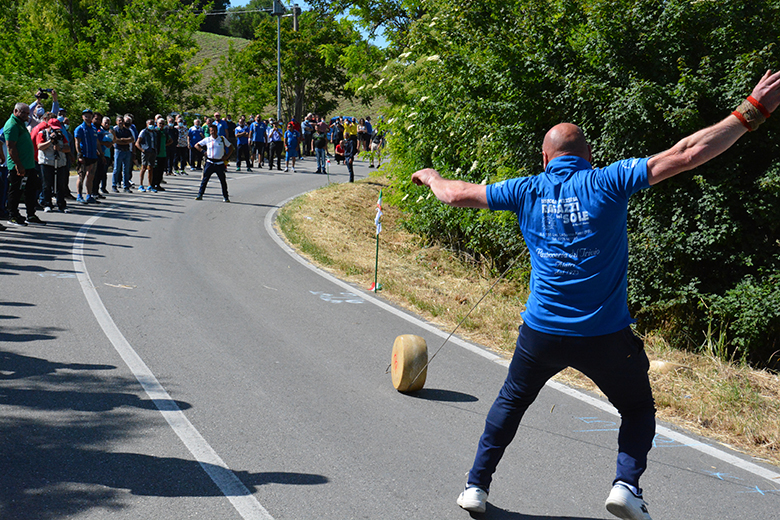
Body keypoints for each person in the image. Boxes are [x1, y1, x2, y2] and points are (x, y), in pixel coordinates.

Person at [411, 69, 780, 520]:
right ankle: (626, 486)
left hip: (541, 332)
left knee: (510, 403)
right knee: (638, 411)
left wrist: (430, 176)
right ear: (589, 155)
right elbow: (687, 153)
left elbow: (455, 194)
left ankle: (475, 487)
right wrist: (753, 110)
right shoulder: (607, 181)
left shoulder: (525, 189)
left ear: (545, 159)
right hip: (606, 336)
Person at [4, 103, 44, 226]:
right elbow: (11, 147)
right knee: (15, 191)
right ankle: (13, 216)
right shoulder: (12, 125)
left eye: (28, 113)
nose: (27, 115)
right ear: (16, 111)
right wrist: (18, 165)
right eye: (24, 113)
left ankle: (31, 214)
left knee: (31, 190)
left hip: (29, 165)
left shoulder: (21, 123)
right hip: (18, 166)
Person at [36, 117, 71, 213]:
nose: (56, 130)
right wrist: (50, 141)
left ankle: (61, 205)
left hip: (60, 162)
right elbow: (39, 146)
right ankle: (47, 204)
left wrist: (60, 148)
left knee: (61, 185)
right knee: (47, 185)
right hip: (46, 162)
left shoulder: (61, 135)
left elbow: (68, 148)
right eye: (54, 128)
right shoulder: (42, 133)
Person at [194, 123, 232, 202]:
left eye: (214, 130)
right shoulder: (207, 139)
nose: (213, 132)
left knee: (223, 181)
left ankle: (226, 197)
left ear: (217, 131)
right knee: (205, 179)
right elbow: (196, 145)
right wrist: (203, 151)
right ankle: (200, 194)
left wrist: (226, 157)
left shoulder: (222, 139)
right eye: (211, 131)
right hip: (210, 162)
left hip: (219, 163)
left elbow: (231, 147)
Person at [73, 109, 99, 204]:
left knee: (91, 176)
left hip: (93, 155)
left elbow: (96, 141)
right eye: (86, 116)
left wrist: (99, 152)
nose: (88, 118)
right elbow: (77, 142)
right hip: (84, 155)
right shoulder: (80, 129)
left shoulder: (93, 128)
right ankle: (79, 195)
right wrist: (79, 155)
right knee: (81, 176)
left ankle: (89, 195)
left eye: (89, 116)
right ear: (83, 117)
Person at [134, 118, 158, 192]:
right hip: (146, 151)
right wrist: (142, 149)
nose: (151, 125)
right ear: (146, 124)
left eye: (152, 124)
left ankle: (150, 185)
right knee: (144, 167)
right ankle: (141, 185)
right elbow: (137, 143)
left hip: (153, 151)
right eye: (149, 124)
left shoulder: (154, 132)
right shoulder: (144, 132)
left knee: (151, 168)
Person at [112, 115, 135, 192]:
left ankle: (126, 186)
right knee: (117, 169)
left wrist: (122, 139)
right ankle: (114, 185)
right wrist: (124, 141)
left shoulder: (127, 130)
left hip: (127, 151)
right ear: (116, 122)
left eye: (122, 120)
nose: (121, 122)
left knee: (126, 169)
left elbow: (132, 139)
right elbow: (115, 140)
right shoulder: (115, 130)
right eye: (119, 121)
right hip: (118, 150)